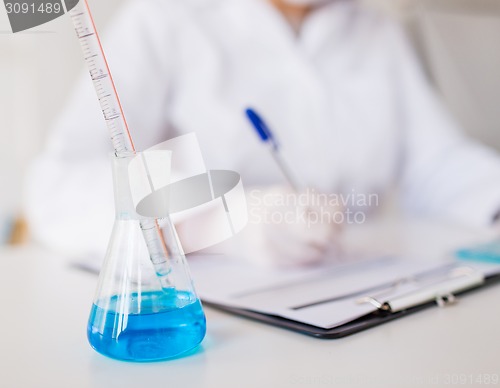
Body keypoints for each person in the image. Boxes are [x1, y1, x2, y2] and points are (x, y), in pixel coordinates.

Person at [25, 0, 500, 266]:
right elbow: (56, 190)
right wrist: (217, 224)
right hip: (212, 330)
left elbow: (439, 164)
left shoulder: (377, 29)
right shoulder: (164, 17)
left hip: (357, 304)